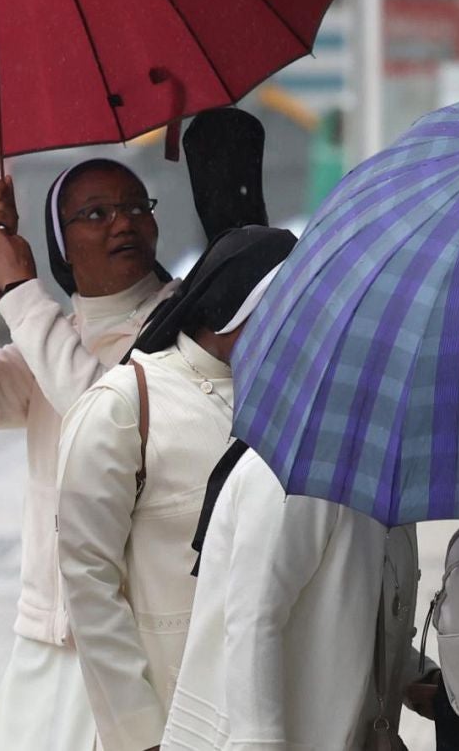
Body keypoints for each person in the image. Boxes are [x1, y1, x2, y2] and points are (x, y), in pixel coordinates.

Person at [0, 161, 178, 751]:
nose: (123, 224)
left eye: (137, 207)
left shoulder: (179, 327)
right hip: (49, 641)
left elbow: (104, 420)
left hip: (143, 644)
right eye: (96, 214)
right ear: (62, 240)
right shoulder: (55, 335)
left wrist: (20, 294)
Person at [57, 225, 296, 751]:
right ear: (235, 308)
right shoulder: (122, 407)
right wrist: (138, 736)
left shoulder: (298, 404)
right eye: (285, 306)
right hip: (172, 715)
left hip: (279, 707)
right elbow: (89, 584)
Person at [161, 448, 423, 751]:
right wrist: (259, 744)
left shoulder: (379, 480)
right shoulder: (296, 477)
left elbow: (357, 617)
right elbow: (252, 621)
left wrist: (417, 673)